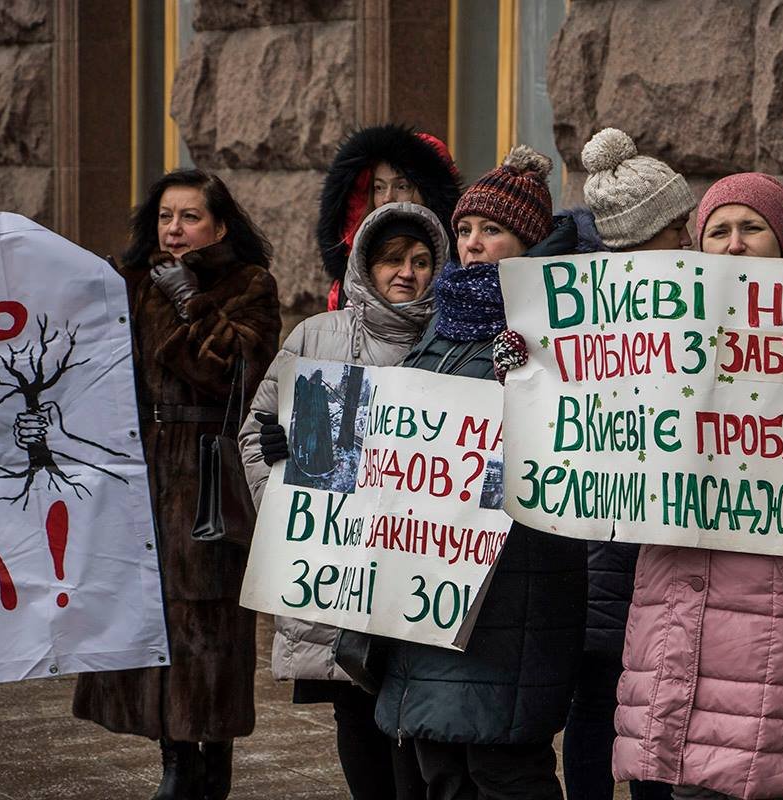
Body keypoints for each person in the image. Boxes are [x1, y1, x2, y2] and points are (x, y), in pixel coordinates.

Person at [613, 172, 783, 800]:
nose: (735, 244)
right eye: (719, 230)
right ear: (699, 245)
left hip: (773, 625)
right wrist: (529, 363)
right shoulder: (654, 338)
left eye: (752, 229)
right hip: (673, 612)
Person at [373, 145, 587, 800]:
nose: (472, 244)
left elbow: (572, 441)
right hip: (431, 585)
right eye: (465, 229)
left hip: (511, 589)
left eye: (491, 230)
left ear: (528, 241)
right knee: (440, 762)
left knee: (500, 766)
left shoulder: (558, 326)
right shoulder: (441, 324)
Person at [73, 168, 281, 800]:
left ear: (219, 225)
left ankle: (209, 756)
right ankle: (174, 755)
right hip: (140, 473)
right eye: (166, 217)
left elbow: (233, 374)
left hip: (206, 475)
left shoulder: (250, 284)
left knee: (208, 620)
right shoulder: (130, 285)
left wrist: (188, 297)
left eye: (189, 217)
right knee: (151, 617)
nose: (174, 230)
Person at [239, 201, 450, 800]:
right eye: (390, 260)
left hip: (418, 564)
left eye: (420, 260)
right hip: (340, 570)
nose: (405, 273)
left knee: (415, 722)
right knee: (355, 716)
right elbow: (254, 432)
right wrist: (280, 489)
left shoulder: (455, 343)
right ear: (365, 265)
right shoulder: (317, 336)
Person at [560, 127, 693, 800]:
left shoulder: (697, 298)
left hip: (651, 538)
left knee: (644, 706)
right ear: (651, 233)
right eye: (678, 227)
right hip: (611, 543)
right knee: (608, 702)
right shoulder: (575, 311)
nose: (689, 238)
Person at [317, 124, 462, 310]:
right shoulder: (349, 281)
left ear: (429, 193)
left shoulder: (459, 276)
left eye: (401, 186)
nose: (387, 198)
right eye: (379, 187)